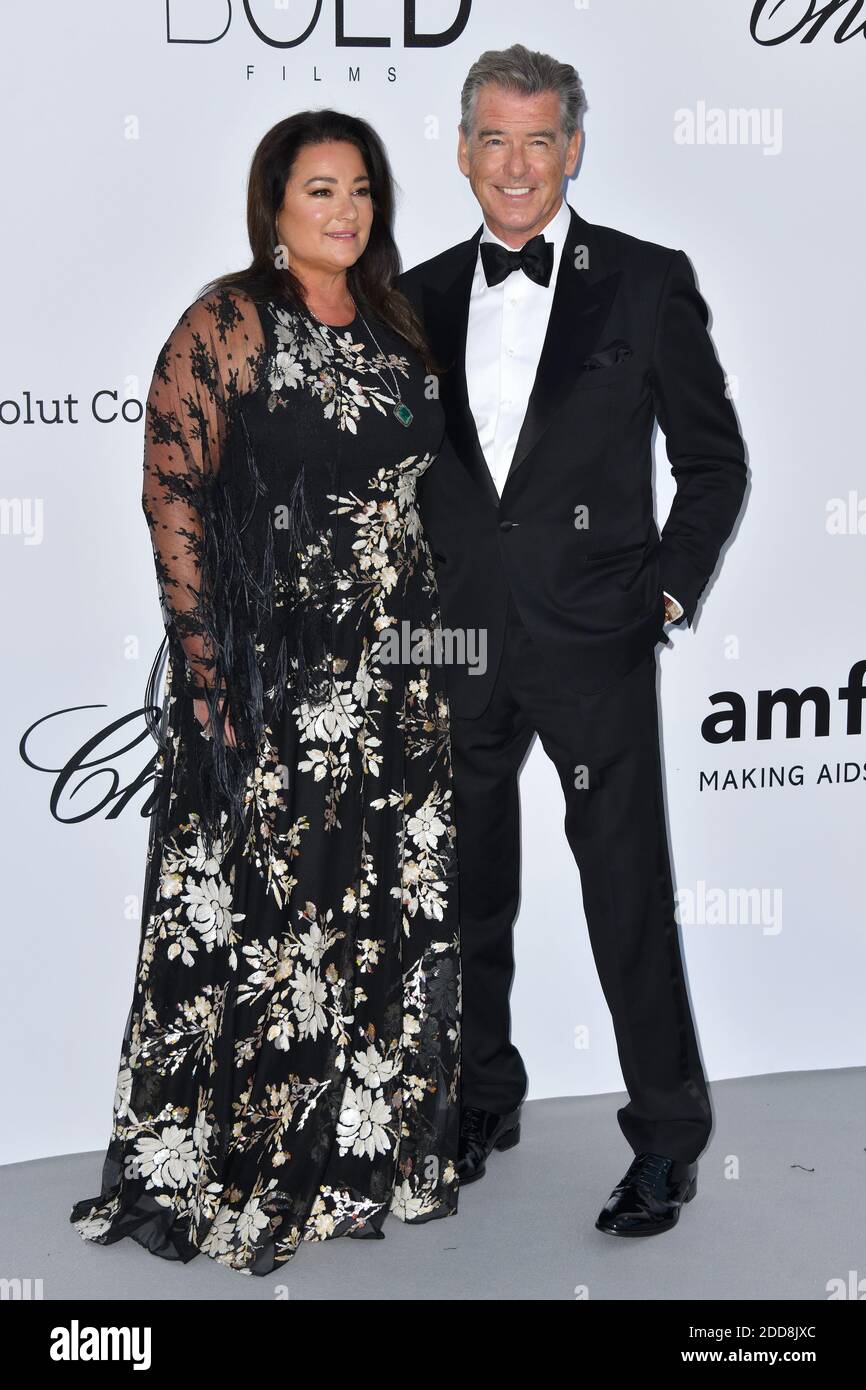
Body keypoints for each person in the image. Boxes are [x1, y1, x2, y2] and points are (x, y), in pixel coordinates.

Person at [70, 110, 460, 1276]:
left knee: (373, 916)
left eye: (361, 192)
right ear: (274, 206)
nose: (344, 211)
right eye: (319, 190)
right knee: (268, 931)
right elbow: (172, 489)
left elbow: (419, 507)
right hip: (274, 676)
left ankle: (363, 1164)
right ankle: (243, 1169)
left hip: (395, 676)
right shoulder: (230, 319)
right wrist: (203, 670)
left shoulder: (397, 326)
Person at [399, 44, 747, 1236]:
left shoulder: (644, 281)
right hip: (452, 648)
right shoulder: (416, 294)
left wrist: (659, 596)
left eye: (536, 139)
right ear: (460, 150)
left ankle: (664, 1137)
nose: (513, 164)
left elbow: (712, 463)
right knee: (462, 890)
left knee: (626, 894)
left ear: (571, 149)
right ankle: (477, 1094)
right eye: (490, 138)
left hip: (591, 640)